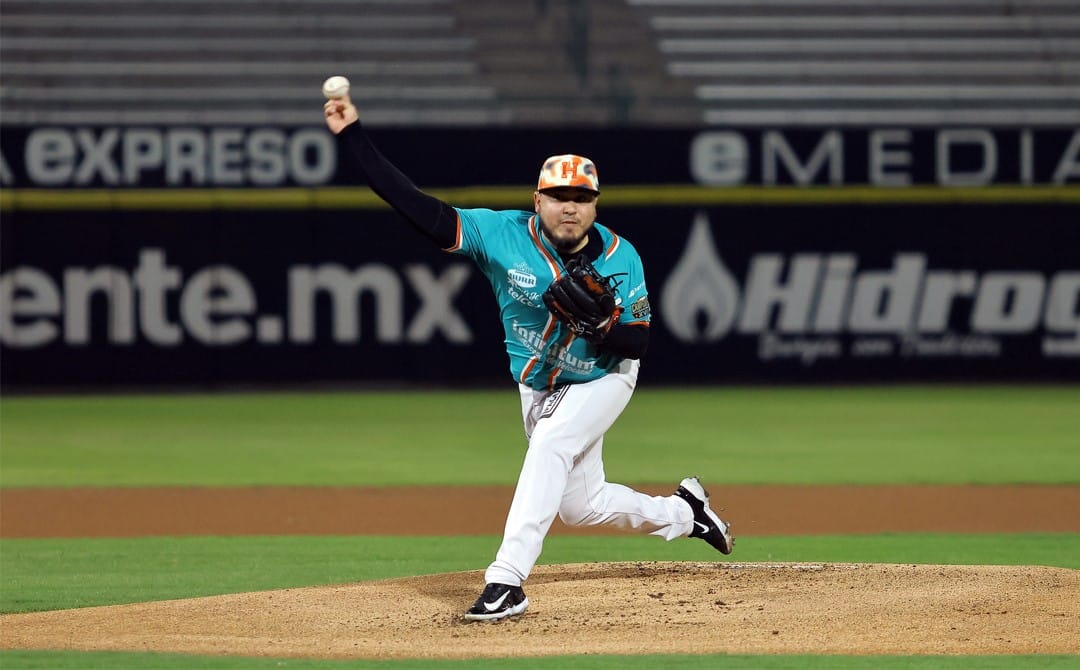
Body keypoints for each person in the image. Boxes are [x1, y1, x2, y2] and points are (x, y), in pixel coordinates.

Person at [323, 93, 734, 622]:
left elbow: (639, 343)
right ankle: (685, 513)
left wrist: (601, 325)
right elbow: (416, 208)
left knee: (551, 442)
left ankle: (506, 581)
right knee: (580, 506)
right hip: (538, 386)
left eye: (581, 197)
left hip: (605, 377)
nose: (570, 206)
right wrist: (353, 136)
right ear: (536, 200)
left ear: (595, 204)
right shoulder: (501, 236)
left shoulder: (619, 255)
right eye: (558, 195)